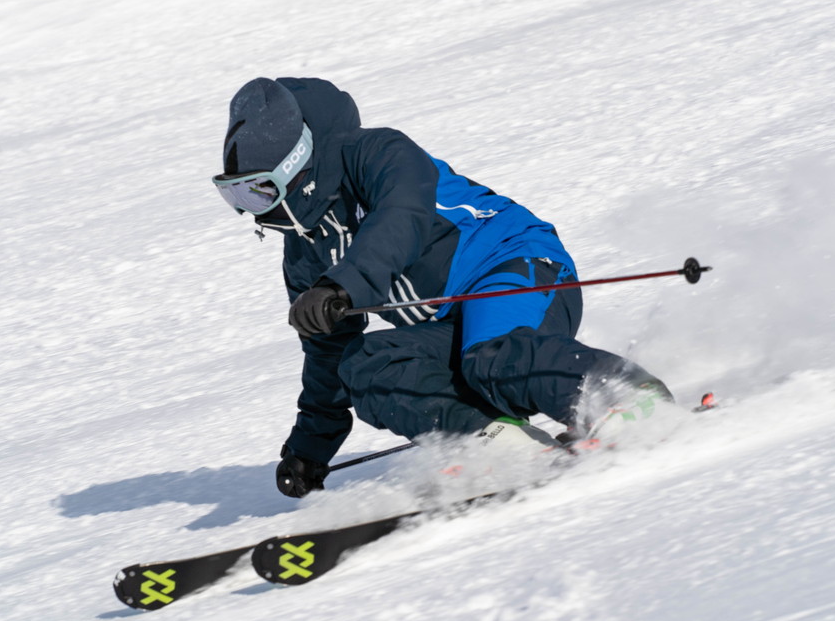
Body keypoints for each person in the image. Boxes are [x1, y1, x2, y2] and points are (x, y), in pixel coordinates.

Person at [212, 77, 672, 498]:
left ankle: (626, 398)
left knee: (491, 353)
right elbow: (327, 354)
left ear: (294, 167)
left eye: (257, 191)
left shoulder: (377, 154)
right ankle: (497, 443)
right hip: (451, 326)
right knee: (367, 366)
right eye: (235, 196)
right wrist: (310, 448)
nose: (251, 211)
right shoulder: (305, 251)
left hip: (516, 267)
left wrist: (344, 285)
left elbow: (402, 217)